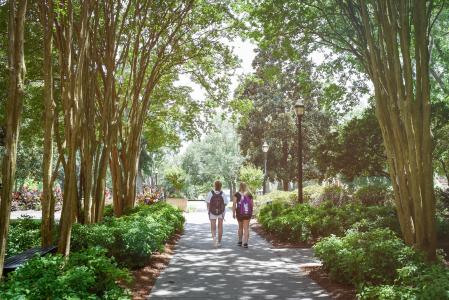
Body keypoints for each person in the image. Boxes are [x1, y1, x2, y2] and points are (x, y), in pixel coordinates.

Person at [206, 180, 229, 247]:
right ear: (221, 186)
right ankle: (219, 242)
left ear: (214, 185)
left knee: (213, 226)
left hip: (212, 212)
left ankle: (214, 239)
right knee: (220, 226)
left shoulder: (210, 193)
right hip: (221, 212)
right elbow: (225, 203)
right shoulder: (223, 194)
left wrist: (209, 211)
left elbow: (208, 203)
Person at [233, 183, 253, 248]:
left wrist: (233, 213)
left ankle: (240, 241)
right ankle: (246, 243)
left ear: (240, 186)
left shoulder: (236, 194)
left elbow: (234, 204)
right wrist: (251, 212)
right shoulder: (249, 194)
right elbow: (252, 205)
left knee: (240, 227)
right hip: (247, 213)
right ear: (246, 186)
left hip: (239, 213)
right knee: (246, 228)